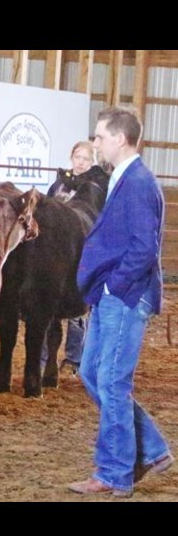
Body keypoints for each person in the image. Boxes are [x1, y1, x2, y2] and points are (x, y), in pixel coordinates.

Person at [69, 106, 173, 498]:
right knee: (93, 374)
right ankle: (151, 449)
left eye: (99, 136)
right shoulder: (125, 179)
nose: (95, 143)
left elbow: (144, 246)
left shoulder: (138, 182)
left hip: (125, 297)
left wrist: (115, 285)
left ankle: (114, 473)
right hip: (115, 295)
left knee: (111, 381)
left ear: (120, 139)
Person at [39, 141, 99, 375]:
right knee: (48, 306)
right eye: (77, 156)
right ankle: (44, 359)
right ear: (71, 157)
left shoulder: (93, 188)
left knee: (78, 308)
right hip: (54, 253)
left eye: (86, 158)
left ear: (92, 162)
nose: (80, 162)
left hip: (81, 252)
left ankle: (73, 360)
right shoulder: (58, 185)